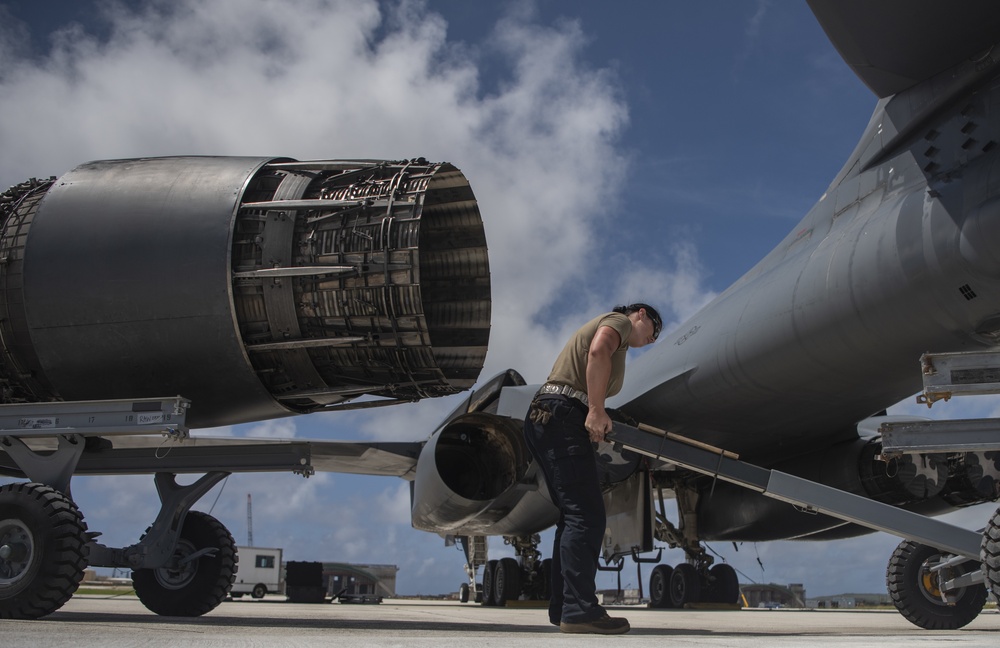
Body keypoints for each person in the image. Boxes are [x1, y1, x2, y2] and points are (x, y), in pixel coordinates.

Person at [524, 303, 662, 634]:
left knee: (573, 517)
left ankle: (566, 609)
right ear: (640, 314)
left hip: (550, 416)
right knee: (586, 516)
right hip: (561, 415)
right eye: (653, 332)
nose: (652, 340)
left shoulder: (622, 340)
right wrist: (596, 410)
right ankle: (579, 610)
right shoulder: (618, 323)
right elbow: (598, 352)